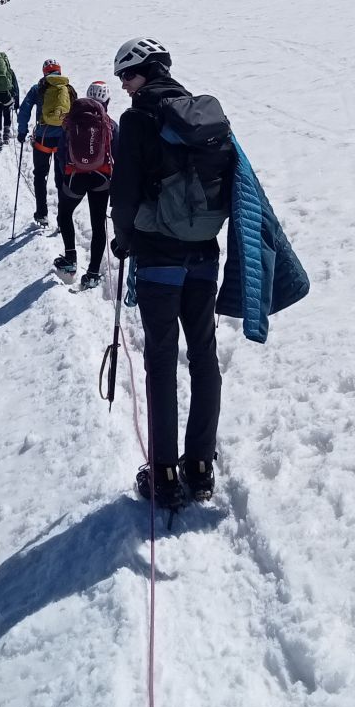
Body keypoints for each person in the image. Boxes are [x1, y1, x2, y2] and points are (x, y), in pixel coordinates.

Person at [109, 37, 232, 509]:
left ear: (148, 70)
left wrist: (123, 238)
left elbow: (125, 190)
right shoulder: (203, 117)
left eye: (128, 74)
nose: (124, 85)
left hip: (159, 256)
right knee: (203, 355)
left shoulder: (138, 119)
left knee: (161, 360)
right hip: (204, 254)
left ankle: (162, 474)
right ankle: (199, 467)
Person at [53, 80, 118, 289]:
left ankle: (70, 259)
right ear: (107, 101)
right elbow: (119, 155)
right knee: (98, 225)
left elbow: (61, 152)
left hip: (75, 178)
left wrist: (64, 177)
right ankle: (92, 274)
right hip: (102, 179)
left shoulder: (72, 121)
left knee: (65, 214)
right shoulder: (111, 124)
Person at [17, 60, 76, 226]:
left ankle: (42, 214)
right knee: (61, 178)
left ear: (44, 72)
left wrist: (22, 131)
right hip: (62, 140)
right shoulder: (68, 89)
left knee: (40, 175)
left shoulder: (38, 88)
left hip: (42, 139)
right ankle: (62, 219)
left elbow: (25, 109)